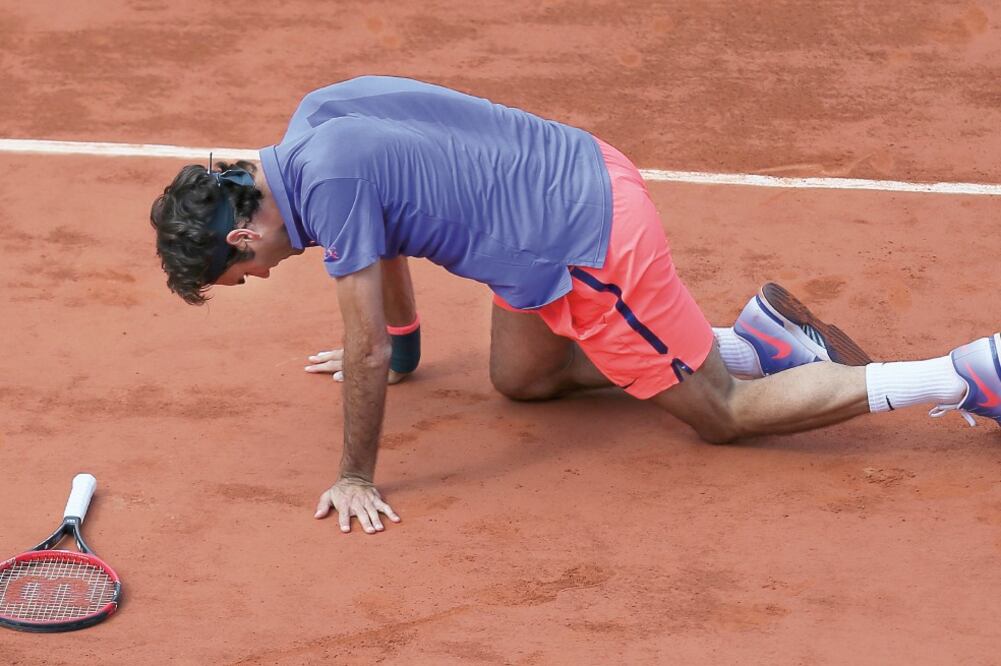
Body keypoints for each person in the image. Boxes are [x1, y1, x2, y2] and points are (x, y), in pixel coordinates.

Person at [149, 76, 999, 535]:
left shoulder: (327, 187)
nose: (261, 280)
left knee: (722, 415)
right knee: (521, 378)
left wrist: (354, 475)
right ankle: (758, 341)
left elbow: (362, 345)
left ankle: (959, 374)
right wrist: (407, 353)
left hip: (584, 239)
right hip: (556, 190)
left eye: (242, 276)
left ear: (241, 239)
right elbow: (385, 256)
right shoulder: (313, 126)